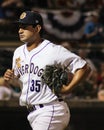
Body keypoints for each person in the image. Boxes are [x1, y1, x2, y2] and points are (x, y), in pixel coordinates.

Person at [3, 10, 91, 130]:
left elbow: (84, 68)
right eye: (19, 27)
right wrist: (11, 78)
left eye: (24, 27)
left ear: (37, 28)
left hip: (51, 109)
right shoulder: (18, 52)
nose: (20, 31)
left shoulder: (53, 50)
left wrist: (68, 89)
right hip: (33, 113)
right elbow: (22, 84)